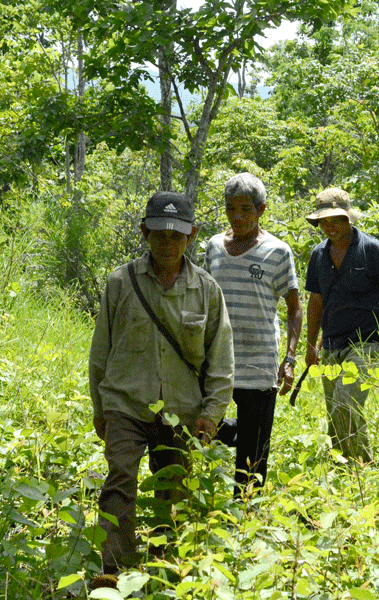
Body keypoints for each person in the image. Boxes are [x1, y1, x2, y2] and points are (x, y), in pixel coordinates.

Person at [88, 191, 234, 584]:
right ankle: (113, 570)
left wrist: (211, 413)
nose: (168, 243)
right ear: (144, 233)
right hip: (126, 405)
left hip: (182, 410)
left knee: (173, 490)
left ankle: (164, 568)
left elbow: (220, 359)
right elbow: (100, 352)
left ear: (191, 236)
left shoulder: (205, 289)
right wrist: (100, 409)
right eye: (159, 234)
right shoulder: (121, 283)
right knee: (119, 479)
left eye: (177, 235)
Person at [204, 173, 302, 498]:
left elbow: (294, 307)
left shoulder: (278, 251)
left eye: (245, 209)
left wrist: (289, 359)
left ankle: (245, 518)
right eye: (231, 208)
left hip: (259, 362)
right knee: (199, 425)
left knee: (252, 456)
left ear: (261, 210)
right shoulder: (214, 246)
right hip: (217, 361)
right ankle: (234, 432)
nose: (237, 216)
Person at [304, 188, 379, 463]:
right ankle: (343, 468)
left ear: (348, 218)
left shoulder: (371, 249)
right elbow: (315, 302)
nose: (329, 227)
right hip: (332, 343)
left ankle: (364, 464)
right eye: (323, 222)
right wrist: (310, 345)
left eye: (335, 220)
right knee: (333, 410)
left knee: (346, 401)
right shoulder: (318, 255)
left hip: (367, 341)